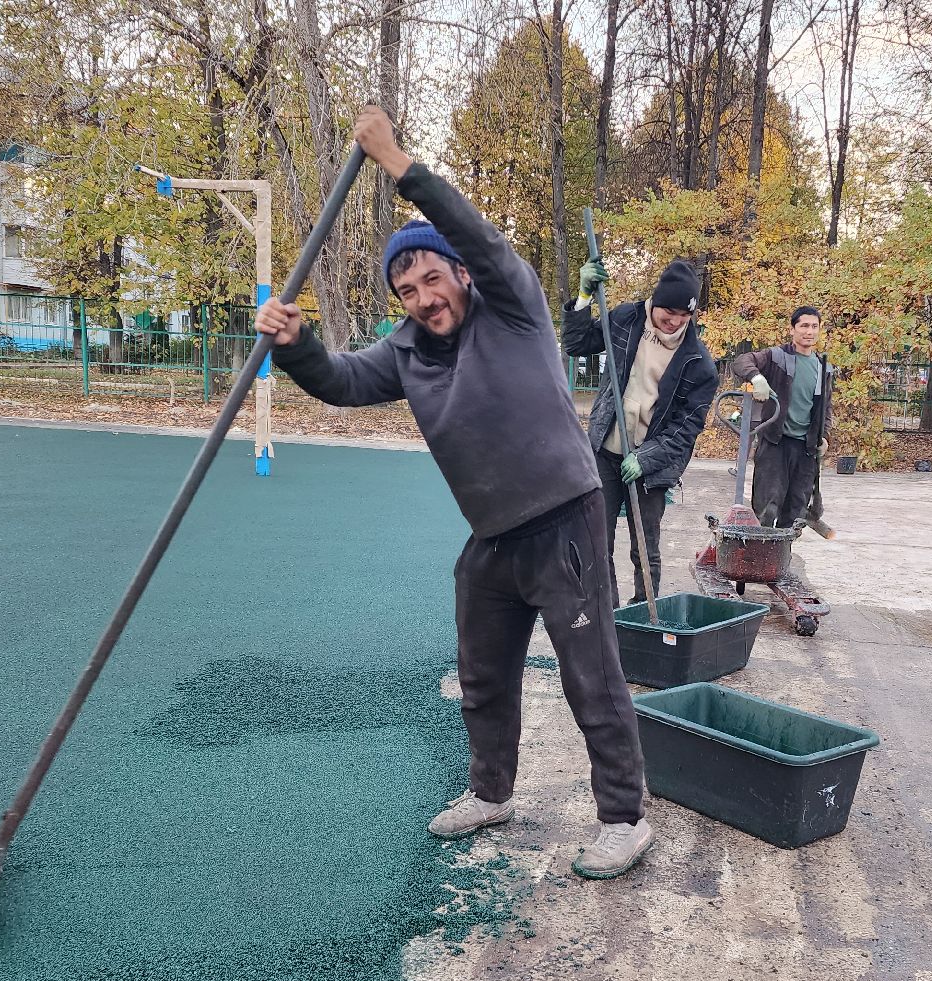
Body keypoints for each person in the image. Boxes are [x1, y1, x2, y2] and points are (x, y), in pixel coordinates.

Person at [255, 106, 653, 879]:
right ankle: (491, 792)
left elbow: (477, 234)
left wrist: (398, 165)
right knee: (482, 674)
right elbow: (340, 383)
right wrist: (297, 344)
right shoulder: (406, 352)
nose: (423, 296)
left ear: (460, 273)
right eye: (406, 289)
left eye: (432, 277)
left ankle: (624, 817)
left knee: (592, 678)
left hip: (565, 521)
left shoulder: (512, 306)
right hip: (494, 537)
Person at [564, 257, 719, 605]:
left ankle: (643, 612)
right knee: (595, 542)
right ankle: (606, 612)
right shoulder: (626, 319)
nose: (674, 320)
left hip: (651, 466)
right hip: (605, 450)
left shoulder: (699, 363)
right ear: (655, 300)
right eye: (669, 311)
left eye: (684, 315)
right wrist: (583, 297)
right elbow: (576, 344)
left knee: (645, 548)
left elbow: (685, 429)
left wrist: (645, 458)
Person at [725, 307, 834, 529]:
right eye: (804, 326)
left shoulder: (824, 368)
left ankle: (784, 551)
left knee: (795, 515)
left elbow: (826, 407)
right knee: (767, 510)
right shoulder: (777, 357)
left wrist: (825, 436)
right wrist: (756, 378)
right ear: (792, 329)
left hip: (805, 450)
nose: (809, 331)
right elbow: (742, 361)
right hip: (775, 444)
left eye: (814, 326)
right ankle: (761, 550)